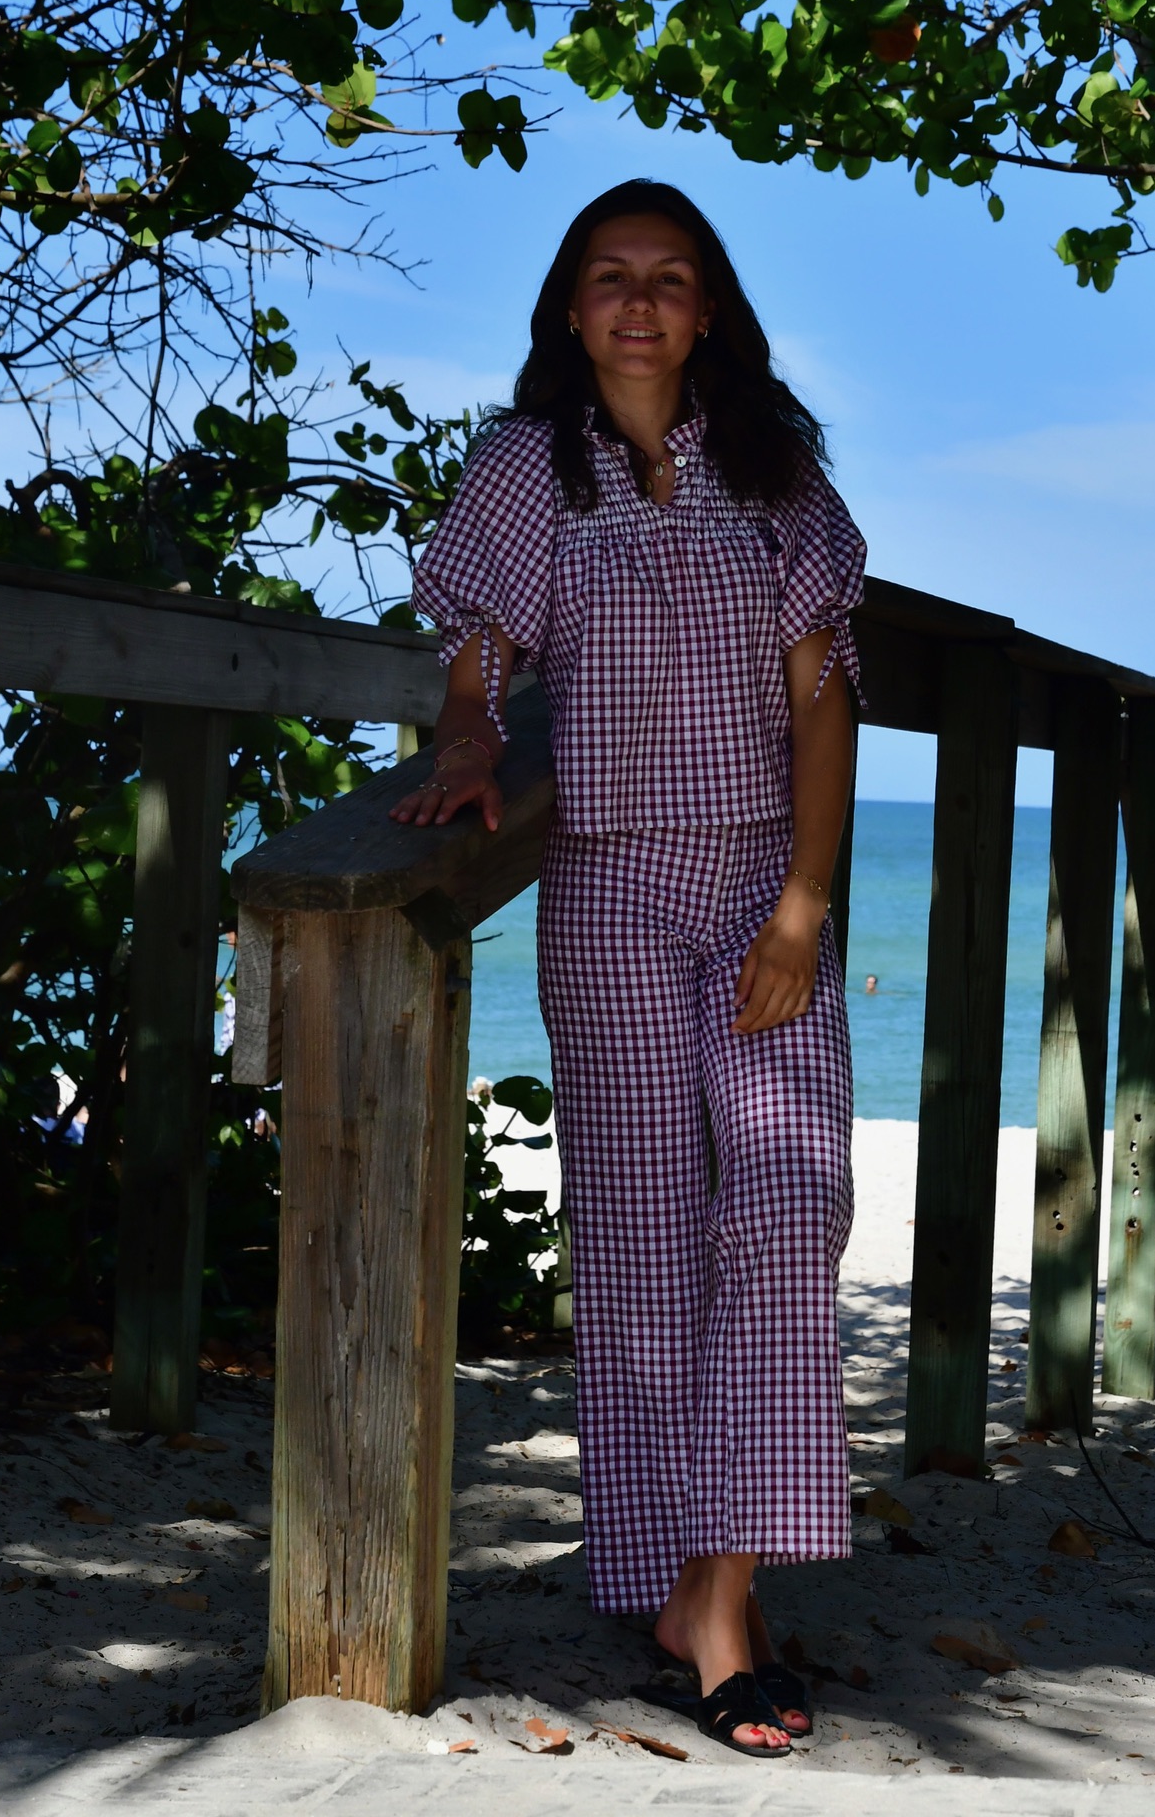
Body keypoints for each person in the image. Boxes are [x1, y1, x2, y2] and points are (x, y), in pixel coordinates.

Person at [392, 180, 864, 1758]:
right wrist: (469, 744)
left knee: (790, 1203)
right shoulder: (530, 468)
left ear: (709, 307)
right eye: (611, 277)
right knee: (646, 1244)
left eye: (670, 277)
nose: (641, 302)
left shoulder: (779, 477)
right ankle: (694, 1599)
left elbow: (825, 700)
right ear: (571, 308)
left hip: (760, 885)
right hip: (607, 887)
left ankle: (717, 1587)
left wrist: (802, 906)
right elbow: (481, 652)